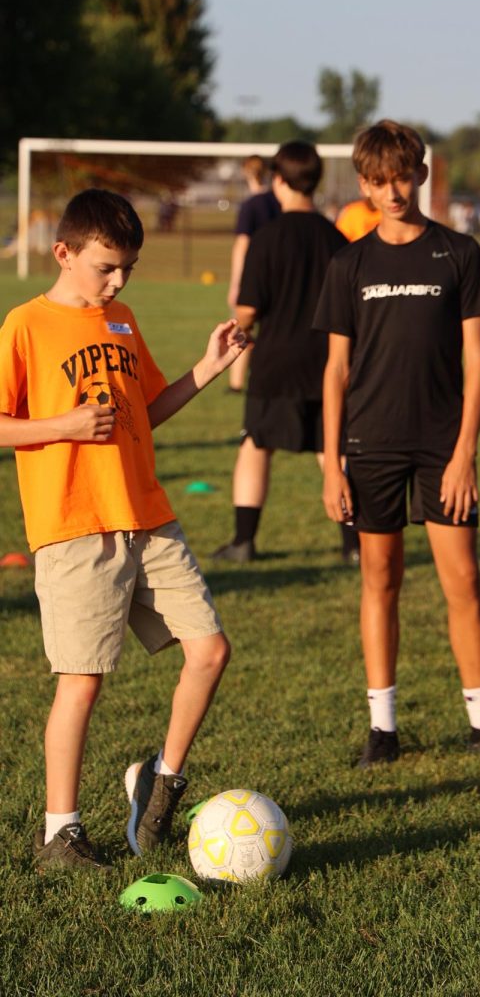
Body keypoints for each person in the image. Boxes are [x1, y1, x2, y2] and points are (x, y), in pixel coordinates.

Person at [0, 189, 246, 870]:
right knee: (81, 682)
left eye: (127, 269)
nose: (117, 282)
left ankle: (160, 782)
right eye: (106, 267)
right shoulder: (26, 325)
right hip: (76, 525)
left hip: (149, 515)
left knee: (210, 651)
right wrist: (63, 427)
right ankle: (61, 833)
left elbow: (144, 411)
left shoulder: (124, 321)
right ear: (64, 253)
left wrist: (208, 368)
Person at [314, 119, 480, 767]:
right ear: (363, 184)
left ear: (421, 174)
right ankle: (383, 729)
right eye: (377, 180)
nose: (392, 190)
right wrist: (331, 466)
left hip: (440, 446)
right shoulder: (348, 263)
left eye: (402, 176)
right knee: (380, 578)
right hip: (369, 444)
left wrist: (465, 453)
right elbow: (336, 369)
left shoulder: (458, 254)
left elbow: (477, 362)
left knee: (463, 579)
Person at [213, 142, 357, 563]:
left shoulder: (267, 237)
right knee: (332, 450)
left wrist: (239, 325)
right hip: (328, 361)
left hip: (276, 362)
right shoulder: (338, 238)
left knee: (257, 446)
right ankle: (354, 545)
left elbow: (248, 310)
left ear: (278, 179)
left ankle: (243, 541)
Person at [227, 155, 281, 393]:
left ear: (247, 173)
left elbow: (242, 245)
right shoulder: (279, 201)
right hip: (278, 273)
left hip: (254, 276)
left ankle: (236, 383)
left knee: (241, 328)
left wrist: (236, 283)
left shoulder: (251, 205)